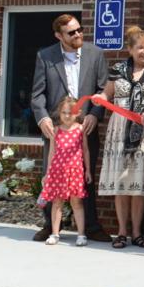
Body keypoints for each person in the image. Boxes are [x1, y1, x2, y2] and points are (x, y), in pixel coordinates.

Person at [30, 13, 109, 242]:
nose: (78, 35)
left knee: (86, 177)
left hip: (84, 130)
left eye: (79, 30)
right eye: (71, 32)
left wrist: (95, 113)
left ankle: (91, 227)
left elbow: (103, 89)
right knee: (53, 176)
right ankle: (51, 226)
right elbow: (37, 95)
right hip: (57, 132)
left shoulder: (95, 54)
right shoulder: (45, 56)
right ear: (58, 35)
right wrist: (43, 118)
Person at [97, 26, 144, 249]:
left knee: (138, 185)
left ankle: (138, 232)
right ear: (130, 50)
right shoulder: (117, 70)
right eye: (140, 47)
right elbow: (106, 93)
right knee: (121, 183)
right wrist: (98, 98)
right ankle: (121, 232)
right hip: (119, 131)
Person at [40, 96, 88, 246]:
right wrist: (47, 173)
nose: (67, 116)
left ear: (78, 112)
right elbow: (52, 152)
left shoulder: (80, 129)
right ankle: (55, 233)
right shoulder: (56, 130)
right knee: (57, 202)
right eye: (64, 112)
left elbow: (85, 151)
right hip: (57, 171)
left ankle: (81, 234)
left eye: (71, 112)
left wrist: (88, 171)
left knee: (77, 202)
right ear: (59, 113)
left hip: (75, 171)